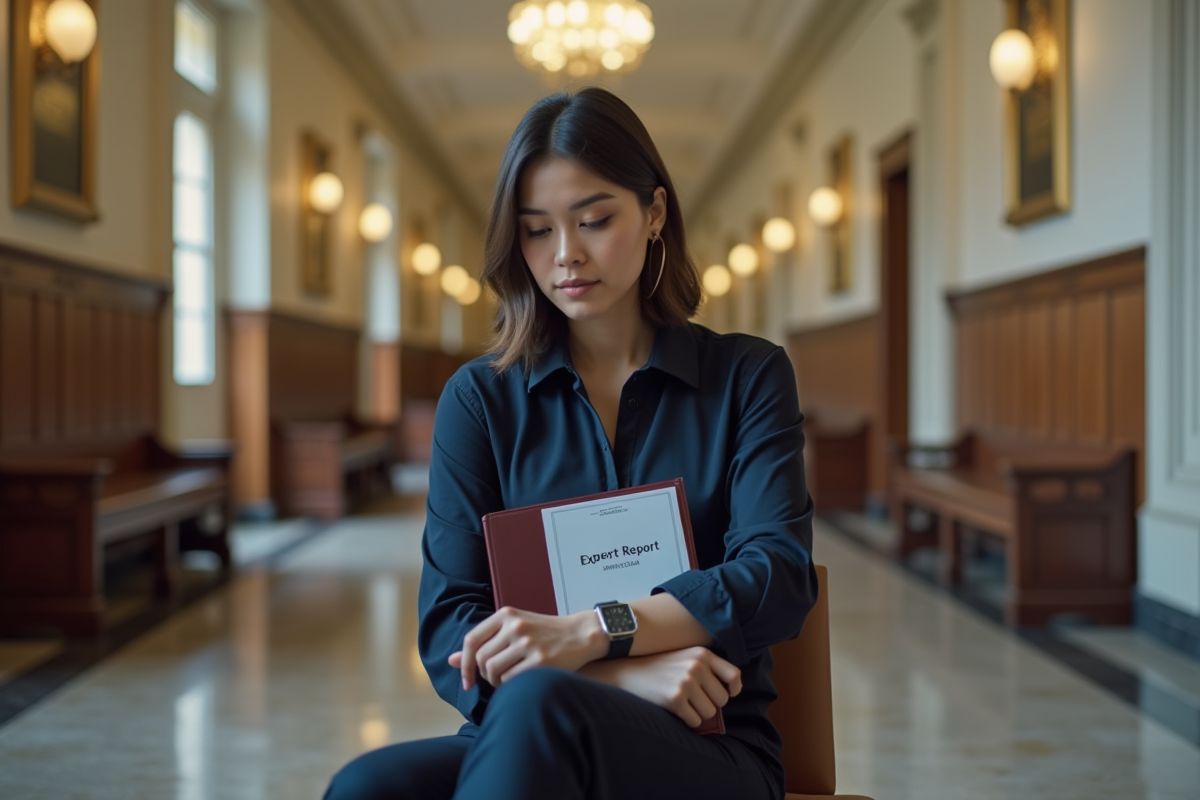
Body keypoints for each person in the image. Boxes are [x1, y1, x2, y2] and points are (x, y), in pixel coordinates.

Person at [325, 87, 817, 800]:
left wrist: (594, 632)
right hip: (528, 724)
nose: (566, 256)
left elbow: (777, 576)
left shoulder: (747, 375)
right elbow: (450, 626)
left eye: (593, 220)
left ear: (654, 213)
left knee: (536, 703)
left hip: (709, 742)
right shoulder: (480, 400)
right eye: (536, 231)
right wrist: (622, 672)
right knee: (367, 786)